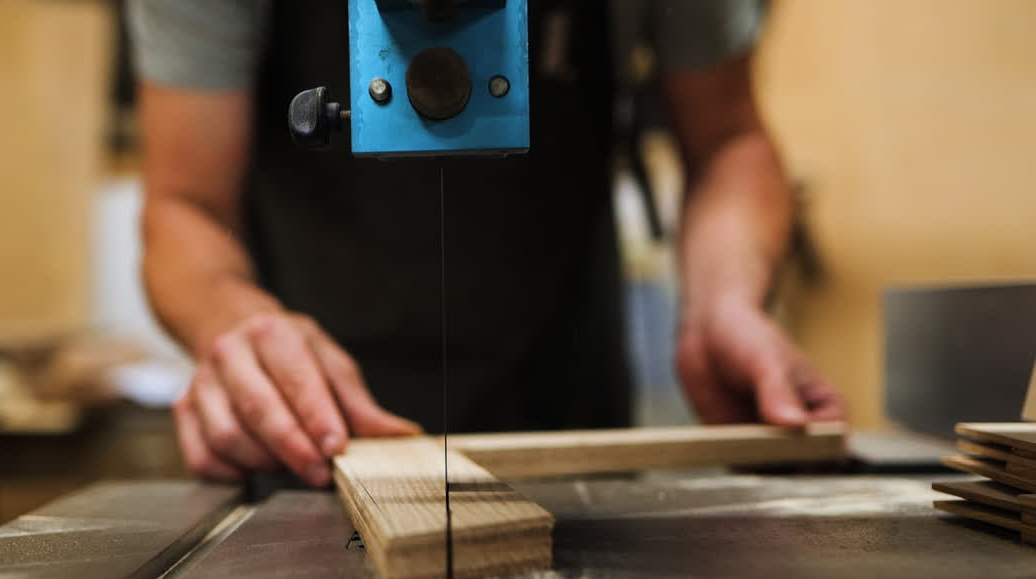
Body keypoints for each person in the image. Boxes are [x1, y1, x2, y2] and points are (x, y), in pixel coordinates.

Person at [127, 0, 847, 488]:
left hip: (564, 392)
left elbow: (728, 139)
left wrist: (726, 299)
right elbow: (184, 205)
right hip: (317, 428)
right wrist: (234, 323)